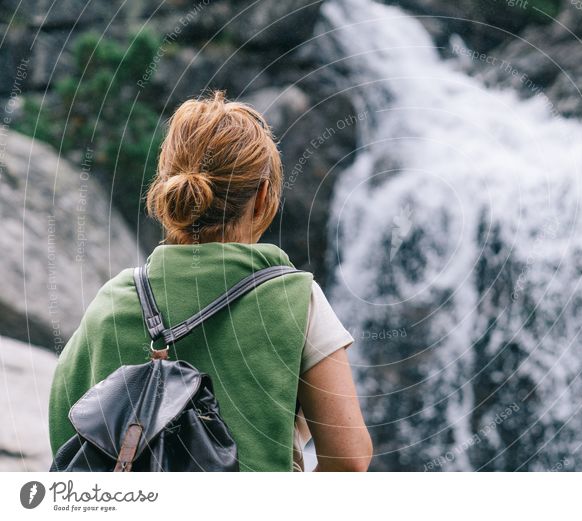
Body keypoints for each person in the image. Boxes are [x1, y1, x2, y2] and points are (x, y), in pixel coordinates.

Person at [48, 91, 372, 472]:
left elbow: (64, 435)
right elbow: (349, 457)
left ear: (170, 189)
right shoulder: (296, 299)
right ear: (263, 195)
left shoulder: (111, 302)